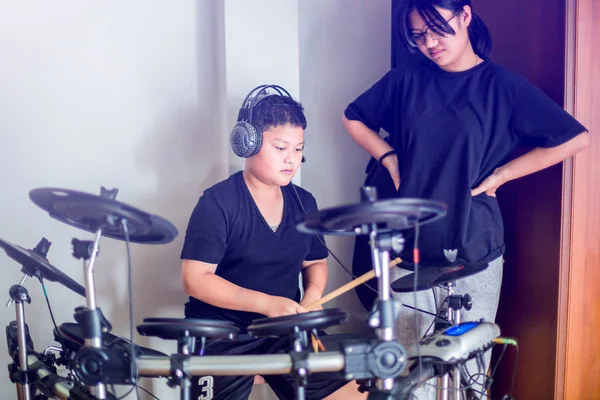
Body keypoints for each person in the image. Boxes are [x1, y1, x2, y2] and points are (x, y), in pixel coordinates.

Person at [342, 0, 589, 397]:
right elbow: (353, 116)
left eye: (438, 29)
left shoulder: (503, 86)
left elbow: (576, 138)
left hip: (475, 249)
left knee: (470, 378)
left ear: (466, 15)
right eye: (418, 36)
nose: (429, 44)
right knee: (407, 380)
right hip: (410, 252)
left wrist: (505, 174)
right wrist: (388, 157)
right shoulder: (407, 80)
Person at [180, 86, 366, 399]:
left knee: (355, 393)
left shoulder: (304, 202)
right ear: (248, 142)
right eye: (280, 148)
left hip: (284, 328)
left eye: (297, 149)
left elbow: (316, 262)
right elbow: (195, 280)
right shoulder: (218, 202)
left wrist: (313, 296)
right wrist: (268, 304)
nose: (291, 160)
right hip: (221, 332)